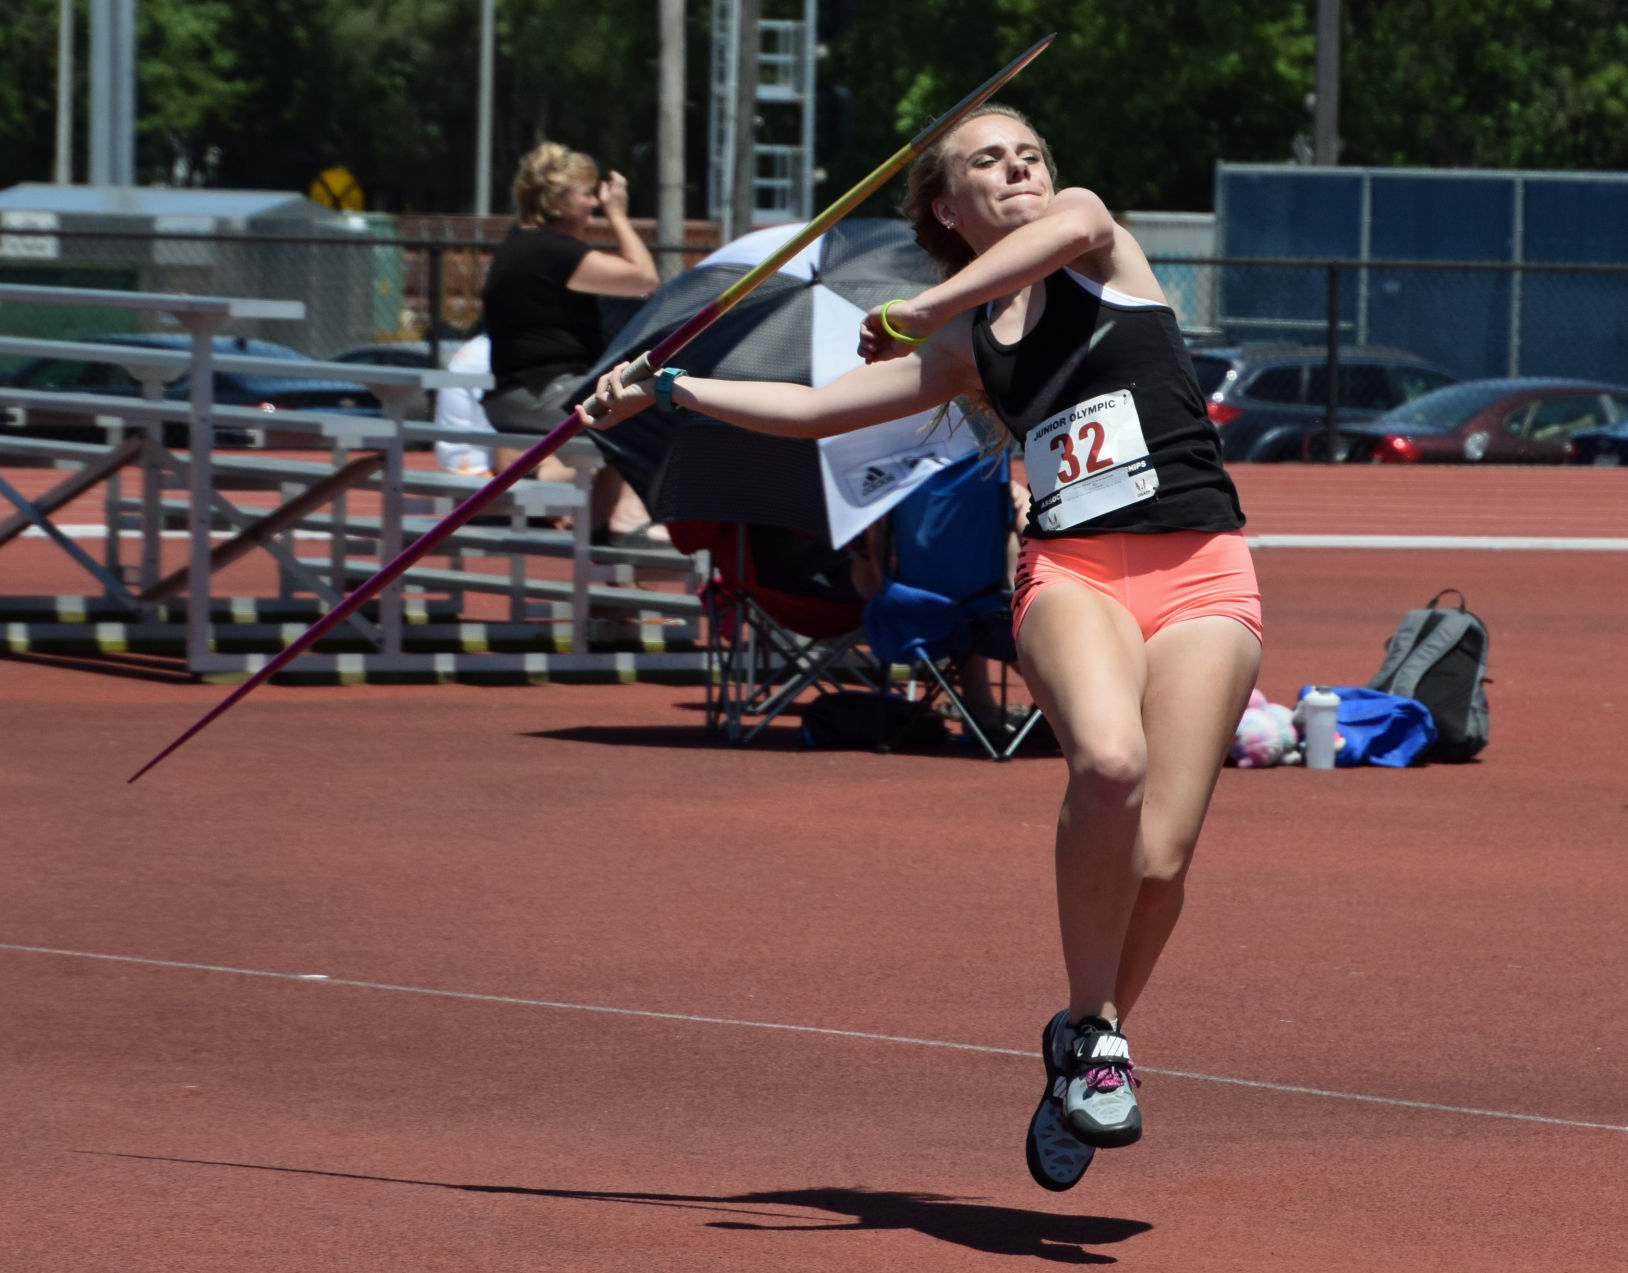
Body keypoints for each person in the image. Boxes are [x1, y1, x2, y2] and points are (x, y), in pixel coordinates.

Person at [580, 105, 1262, 1191]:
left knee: (1160, 863)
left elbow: (1057, 230)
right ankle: (1093, 1034)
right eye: (988, 159)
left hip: (1202, 571)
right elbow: (814, 412)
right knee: (1109, 764)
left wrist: (924, 305)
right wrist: (668, 389)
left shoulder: (1096, 239)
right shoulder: (962, 347)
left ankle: (1083, 1045)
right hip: (1072, 575)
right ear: (945, 207)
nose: (1021, 167)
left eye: (1030, 149)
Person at [480, 140, 667, 544]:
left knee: (626, 415)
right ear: (559, 200)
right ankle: (617, 522)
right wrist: (619, 214)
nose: (592, 205)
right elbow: (643, 278)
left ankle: (602, 534)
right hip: (543, 392)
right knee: (647, 412)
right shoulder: (552, 250)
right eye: (585, 194)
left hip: (515, 395)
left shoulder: (517, 245)